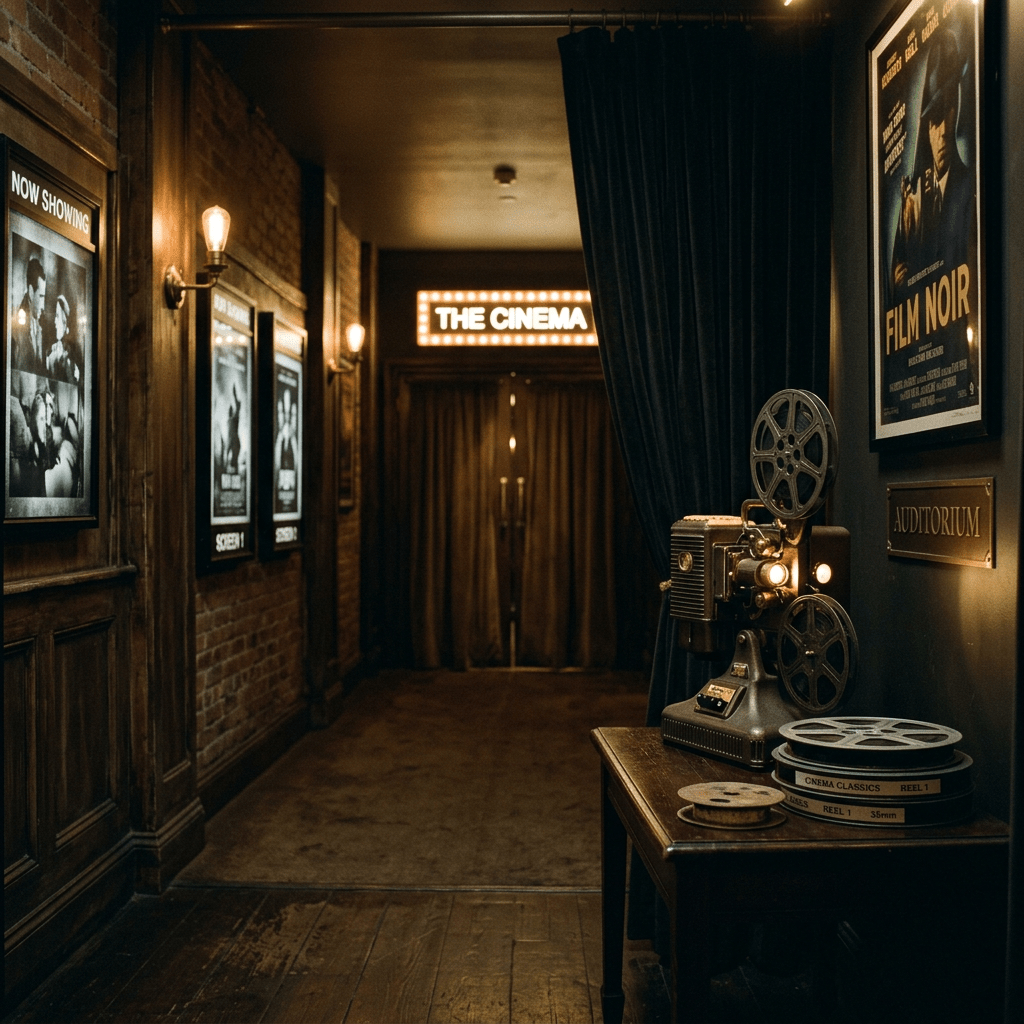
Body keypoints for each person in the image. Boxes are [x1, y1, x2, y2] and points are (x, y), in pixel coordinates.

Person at [890, 28, 974, 295]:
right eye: (933, 120)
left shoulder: (970, 188)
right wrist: (899, 280)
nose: (942, 131)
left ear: (957, 108)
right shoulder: (914, 202)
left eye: (948, 108)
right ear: (926, 129)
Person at [12, 256, 47, 375]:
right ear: (31, 293)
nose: (43, 306)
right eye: (41, 296)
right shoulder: (18, 327)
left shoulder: (38, 324)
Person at [45, 294, 81, 383]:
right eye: (54, 317)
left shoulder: (73, 353)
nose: (54, 321)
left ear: (65, 322)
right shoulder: (51, 352)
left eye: (57, 316)